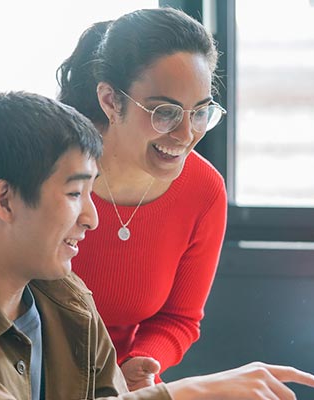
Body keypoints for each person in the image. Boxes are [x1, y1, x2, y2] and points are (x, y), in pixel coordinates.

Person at [0, 91, 314, 399]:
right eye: (75, 194)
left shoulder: (68, 298)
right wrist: (188, 393)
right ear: (5, 199)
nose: (92, 218)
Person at [57, 8, 229, 388]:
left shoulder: (204, 191)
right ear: (109, 100)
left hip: (118, 386)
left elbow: (178, 319)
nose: (185, 135)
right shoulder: (47, 169)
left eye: (200, 112)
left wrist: (141, 362)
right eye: (164, 112)